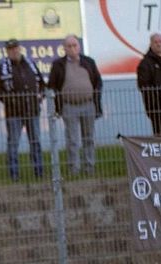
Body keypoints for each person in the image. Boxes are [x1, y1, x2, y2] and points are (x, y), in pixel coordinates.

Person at [48, 34, 103, 177]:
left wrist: (96, 102)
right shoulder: (58, 65)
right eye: (69, 46)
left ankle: (89, 168)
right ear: (64, 48)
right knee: (72, 139)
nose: (72, 48)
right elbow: (52, 85)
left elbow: (98, 82)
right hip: (69, 106)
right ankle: (74, 170)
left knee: (89, 138)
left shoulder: (89, 62)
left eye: (75, 45)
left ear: (79, 47)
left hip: (88, 105)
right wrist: (58, 105)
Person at [0, 38, 46, 182]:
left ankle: (39, 172)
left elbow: (41, 84)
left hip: (33, 111)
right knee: (13, 144)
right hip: (14, 113)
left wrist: (41, 95)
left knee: (35, 142)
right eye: (10, 49)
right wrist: (11, 100)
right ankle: (14, 174)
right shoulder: (2, 68)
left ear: (20, 48)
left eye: (16, 48)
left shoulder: (31, 64)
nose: (14, 51)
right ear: (7, 51)